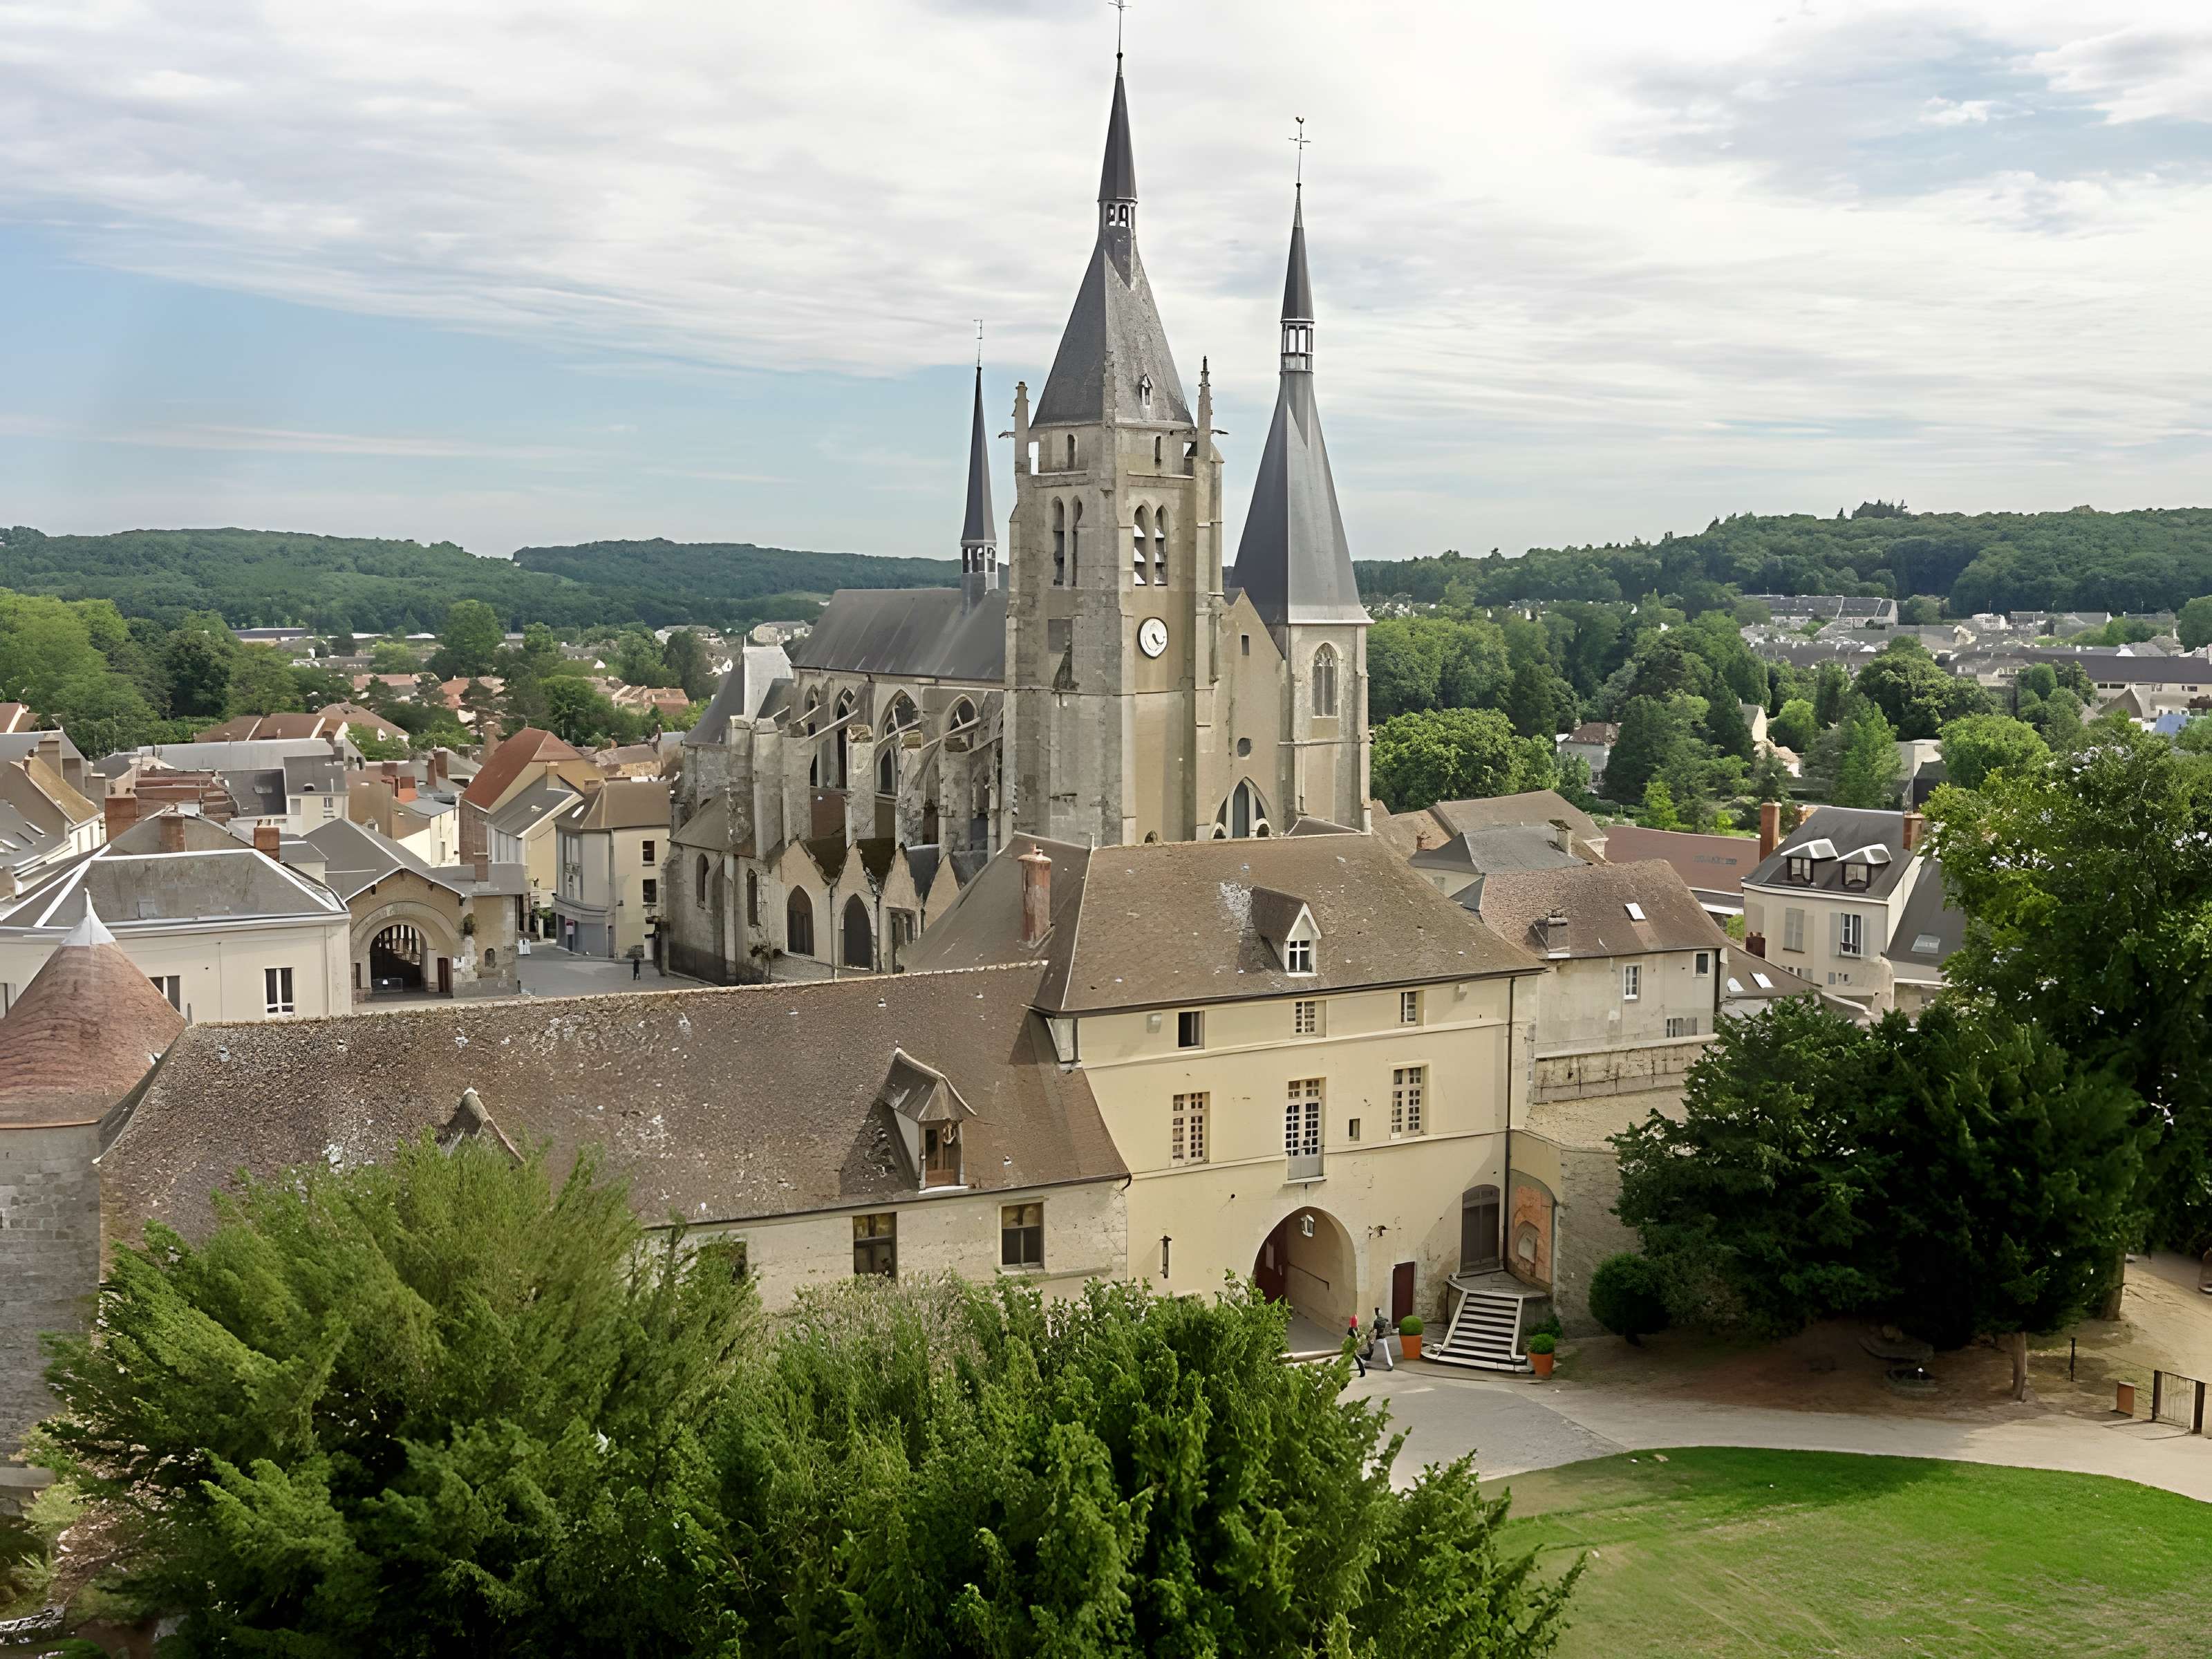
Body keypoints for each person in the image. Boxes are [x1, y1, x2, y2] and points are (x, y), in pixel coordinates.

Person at [1370, 1307, 1396, 1371]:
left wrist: (1370, 1333)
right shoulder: (1385, 1320)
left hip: (1378, 1338)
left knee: (1372, 1348)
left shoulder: (1376, 1321)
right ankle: (1390, 1364)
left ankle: (1370, 1362)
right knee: (1387, 1352)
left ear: (1376, 1313)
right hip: (1384, 1337)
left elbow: (1373, 1330)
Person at [1345, 1313, 1367, 1378]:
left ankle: (1360, 1371)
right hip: (1353, 1346)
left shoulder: (1352, 1330)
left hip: (1352, 1347)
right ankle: (1361, 1371)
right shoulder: (1353, 1330)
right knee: (1354, 1359)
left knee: (1355, 1359)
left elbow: (1351, 1338)